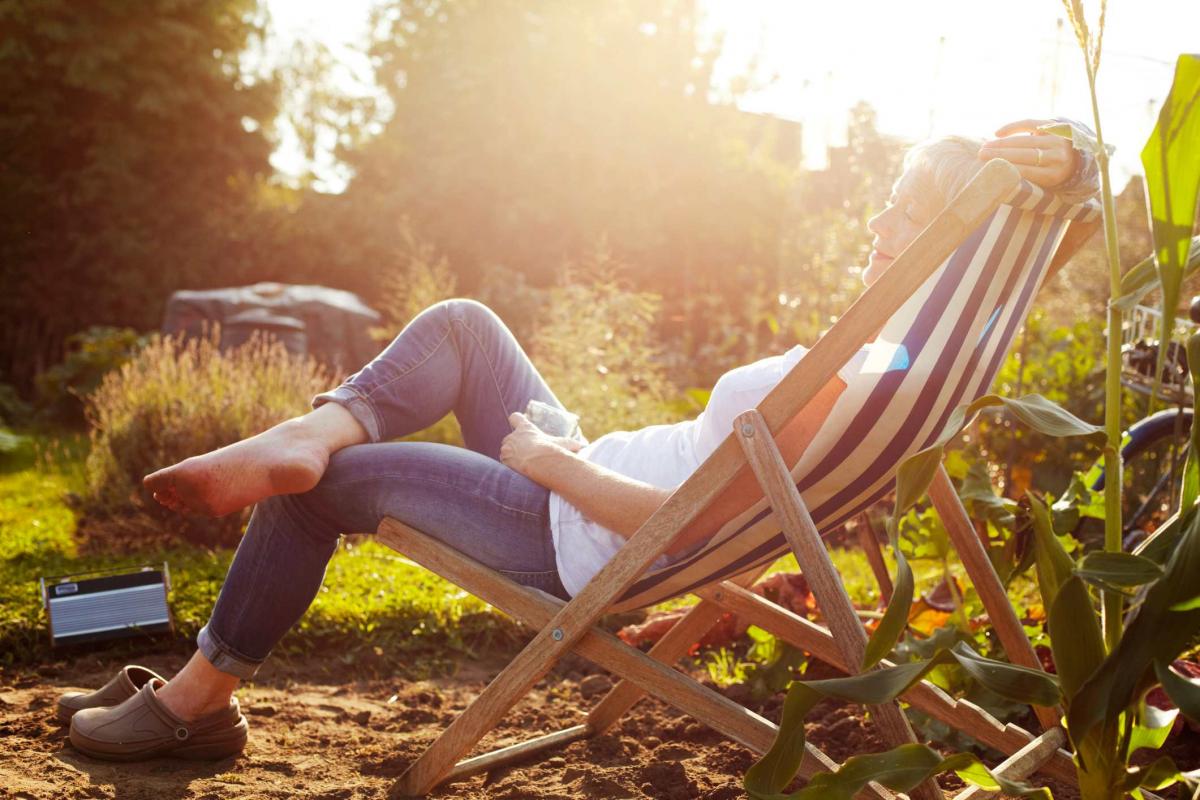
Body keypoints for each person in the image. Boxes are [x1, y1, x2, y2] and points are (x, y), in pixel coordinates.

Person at [61, 119, 1098, 761]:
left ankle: (200, 699)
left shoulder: (852, 373)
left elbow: (677, 527)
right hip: (577, 481)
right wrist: (1065, 154)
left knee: (316, 489)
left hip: (567, 526)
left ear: (934, 241)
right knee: (467, 326)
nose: (878, 223)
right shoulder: (898, 363)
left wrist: (558, 465)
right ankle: (308, 426)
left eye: (900, 214)